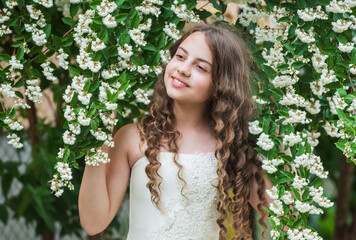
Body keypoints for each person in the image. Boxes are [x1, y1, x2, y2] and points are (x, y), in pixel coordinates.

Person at [78, 23, 273, 240]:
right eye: (180, 56)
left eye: (201, 67)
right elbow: (93, 223)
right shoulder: (132, 138)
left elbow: (283, 217)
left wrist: (283, 149)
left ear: (221, 85)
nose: (183, 68)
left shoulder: (233, 146)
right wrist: (96, 144)